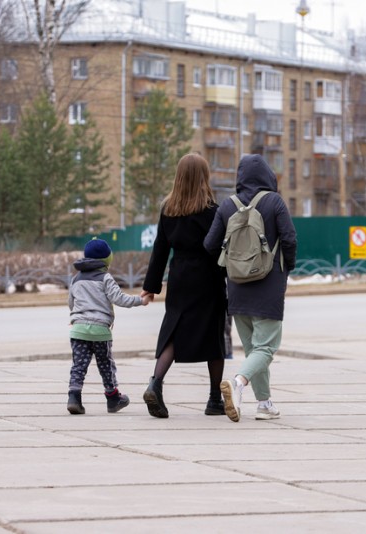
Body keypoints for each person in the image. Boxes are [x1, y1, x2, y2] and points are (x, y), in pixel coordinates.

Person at [204, 154, 297, 422]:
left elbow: (210, 246)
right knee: (265, 349)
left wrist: (232, 267)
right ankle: (237, 383)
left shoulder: (226, 206)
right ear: (268, 175)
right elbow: (289, 239)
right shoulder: (274, 201)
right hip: (268, 284)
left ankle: (265, 404)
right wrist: (285, 269)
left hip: (237, 287)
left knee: (254, 350)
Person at [141, 153, 227, 418]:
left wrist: (151, 286)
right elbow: (217, 248)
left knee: (174, 331)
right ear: (204, 176)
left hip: (179, 276)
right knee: (214, 333)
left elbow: (160, 248)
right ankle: (214, 399)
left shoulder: (168, 208)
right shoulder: (212, 210)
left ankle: (155, 383)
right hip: (207, 278)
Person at [67, 238, 151, 415]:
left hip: (78, 330)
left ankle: (74, 397)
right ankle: (113, 398)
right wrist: (140, 301)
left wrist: (77, 317)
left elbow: (71, 302)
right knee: (105, 365)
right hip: (99, 331)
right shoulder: (105, 278)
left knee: (78, 366)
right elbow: (119, 298)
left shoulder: (76, 279)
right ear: (107, 259)